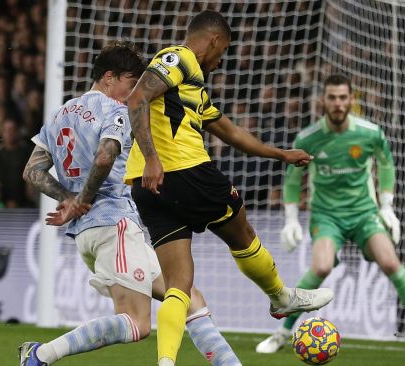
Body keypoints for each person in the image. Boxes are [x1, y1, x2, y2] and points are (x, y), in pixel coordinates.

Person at [123, 10, 334, 366]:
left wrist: (281, 154)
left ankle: (165, 362)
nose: (220, 63)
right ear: (214, 41)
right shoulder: (177, 59)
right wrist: (154, 157)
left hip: (148, 187)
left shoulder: (193, 91)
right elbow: (136, 99)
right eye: (223, 53)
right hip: (182, 170)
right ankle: (280, 297)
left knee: (179, 285)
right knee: (240, 225)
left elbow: (230, 132)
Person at [19, 40, 241, 366]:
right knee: (136, 322)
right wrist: (81, 199)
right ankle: (40, 355)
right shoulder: (114, 110)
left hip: (92, 231)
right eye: (129, 81)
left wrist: (70, 199)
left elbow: (31, 170)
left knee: (188, 296)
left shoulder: (61, 112)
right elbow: (106, 155)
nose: (133, 91)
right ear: (109, 77)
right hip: (115, 224)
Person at [255, 74, 405, 358]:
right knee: (322, 267)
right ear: (323, 101)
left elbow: (386, 164)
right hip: (327, 216)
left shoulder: (369, 133)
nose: (337, 103)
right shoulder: (308, 138)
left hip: (363, 213)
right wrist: (290, 219)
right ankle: (281, 333)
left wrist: (387, 206)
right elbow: (291, 179)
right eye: (332, 98)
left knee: (391, 262)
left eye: (342, 97)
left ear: (351, 100)